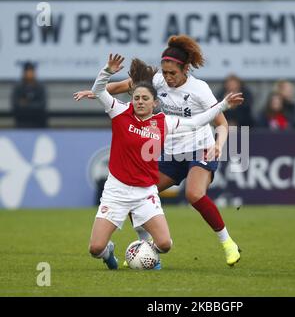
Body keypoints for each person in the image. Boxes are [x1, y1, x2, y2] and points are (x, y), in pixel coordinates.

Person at [74, 35, 242, 266]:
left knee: (194, 194)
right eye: (164, 72)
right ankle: (146, 247)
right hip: (171, 152)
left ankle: (228, 243)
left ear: (185, 69)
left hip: (199, 149)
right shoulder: (159, 80)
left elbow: (221, 123)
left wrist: (218, 145)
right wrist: (96, 93)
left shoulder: (200, 90)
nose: (167, 77)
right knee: (137, 193)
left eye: (172, 73)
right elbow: (126, 86)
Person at [11, 62, 48, 128]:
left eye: (32, 71)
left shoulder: (40, 87)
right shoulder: (18, 88)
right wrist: (33, 104)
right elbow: (15, 105)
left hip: (39, 122)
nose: (30, 74)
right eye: (28, 71)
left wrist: (26, 104)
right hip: (21, 122)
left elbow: (42, 105)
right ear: (24, 73)